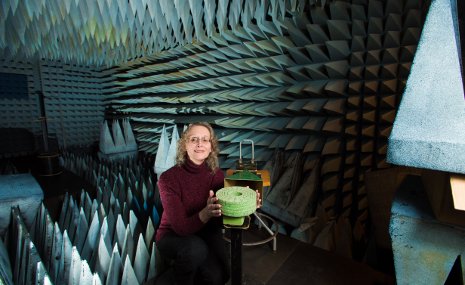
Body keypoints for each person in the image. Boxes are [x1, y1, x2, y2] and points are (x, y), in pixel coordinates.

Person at [155, 122, 229, 285]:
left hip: (205, 230)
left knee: (220, 276)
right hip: (172, 234)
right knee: (195, 249)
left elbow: (220, 220)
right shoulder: (168, 179)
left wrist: (245, 208)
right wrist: (206, 212)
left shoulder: (216, 175)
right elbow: (181, 228)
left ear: (211, 147)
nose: (200, 144)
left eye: (205, 139)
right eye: (194, 139)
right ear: (184, 145)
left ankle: (191, 270)